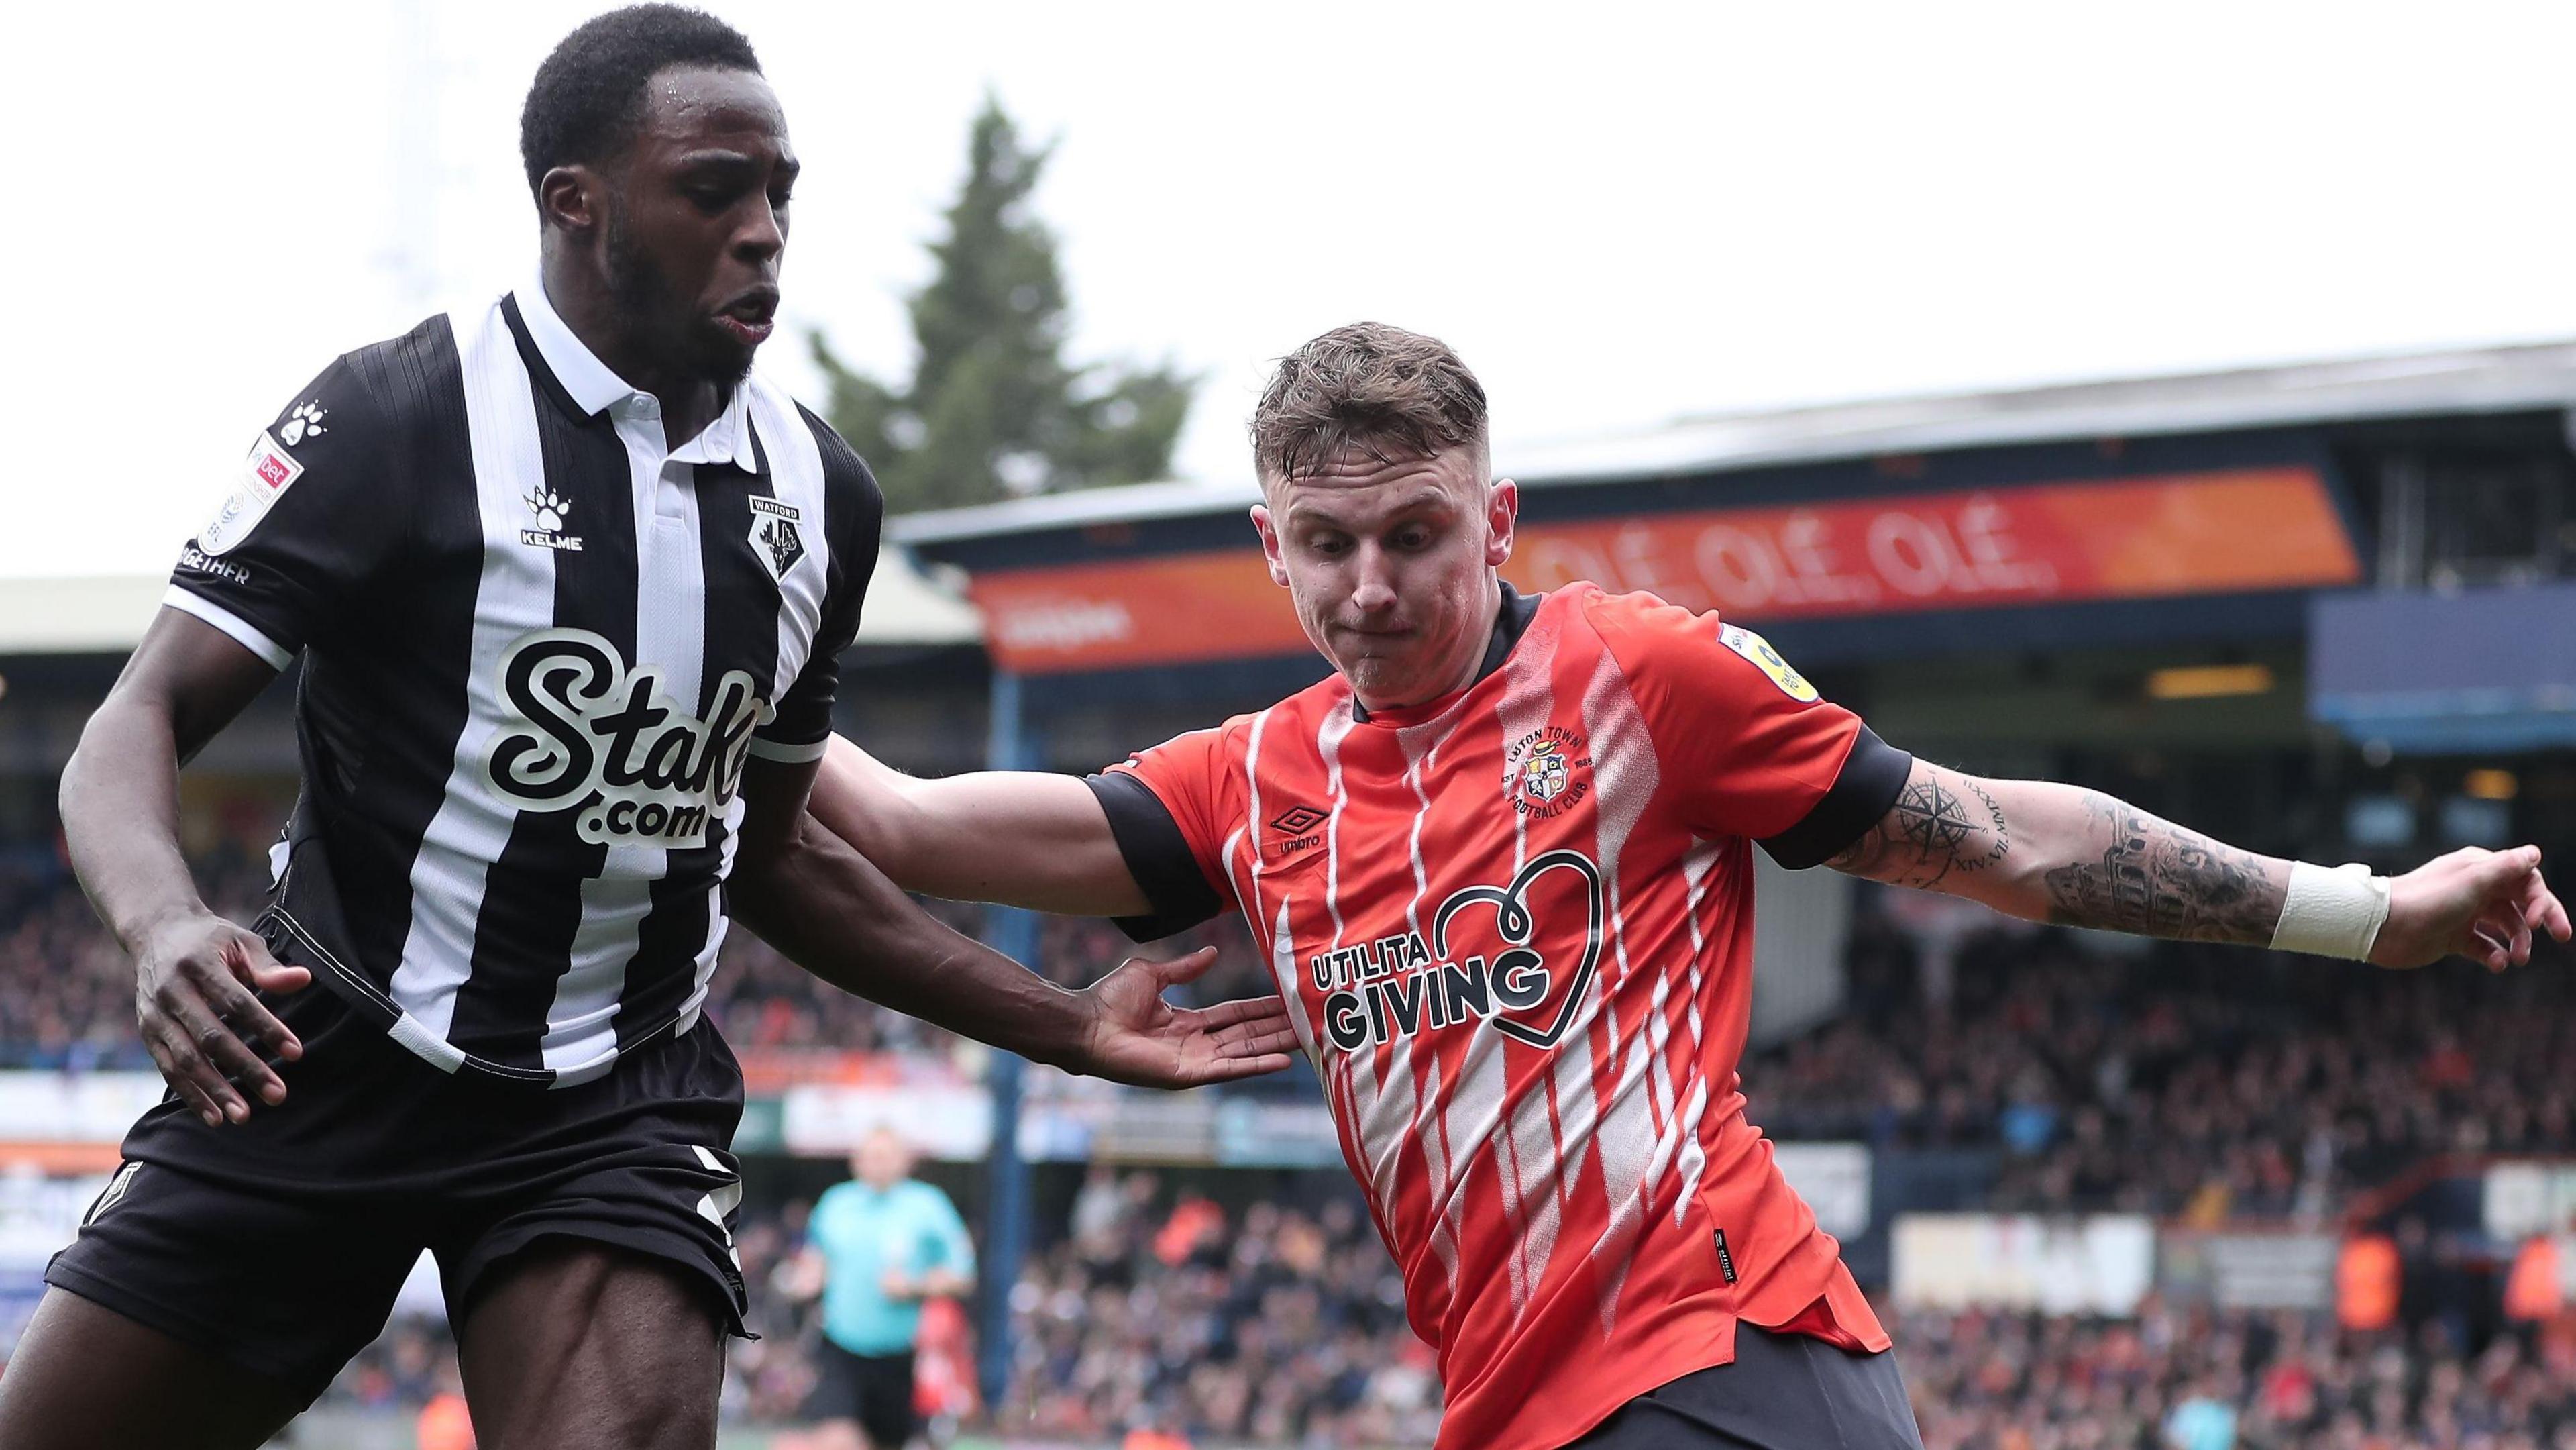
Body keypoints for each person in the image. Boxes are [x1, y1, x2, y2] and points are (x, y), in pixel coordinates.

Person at [807, 321, 2571, 1450]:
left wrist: (2364, 908)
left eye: (1413, 531)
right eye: (1325, 545)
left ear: (1496, 519)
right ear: (1269, 543)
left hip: (1717, 1357)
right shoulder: (1245, 786)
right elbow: (894, 821)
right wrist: (679, 638)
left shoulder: (1639, 682)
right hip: (1511, 1403)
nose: (1369, 586)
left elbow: (2000, 838)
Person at [9, 9, 1290, 1450]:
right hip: (327, 1052)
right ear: (578, 202)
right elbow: (135, 717)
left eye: (780, 194)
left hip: (610, 1105)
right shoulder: (398, 415)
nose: (763, 233)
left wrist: (1063, 1026)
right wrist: (162, 924)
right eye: (714, 190)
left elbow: (776, 856)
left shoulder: (822, 499)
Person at [786, 1129, 974, 1450]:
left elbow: (963, 1276)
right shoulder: (837, 1203)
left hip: (900, 1356)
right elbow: (816, 1259)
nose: (878, 1165)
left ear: (905, 1161)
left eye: (886, 1157)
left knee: (887, 1441)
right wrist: (806, 1278)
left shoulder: (928, 1205)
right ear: (856, 1162)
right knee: (840, 1439)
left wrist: (915, 1287)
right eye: (871, 1157)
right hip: (841, 1347)